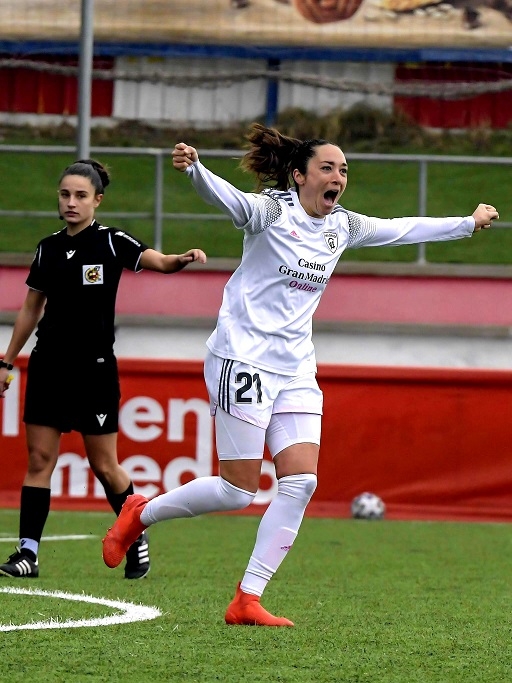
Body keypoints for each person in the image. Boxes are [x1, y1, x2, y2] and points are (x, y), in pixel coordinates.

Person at [102, 123, 499, 624]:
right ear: (298, 176)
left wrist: (465, 222)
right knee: (238, 490)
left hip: (296, 369)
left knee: (301, 482)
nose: (339, 177)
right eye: (328, 168)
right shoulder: (271, 212)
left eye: (344, 170)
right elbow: (231, 201)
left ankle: (248, 598)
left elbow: (400, 228)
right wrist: (197, 169)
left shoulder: (343, 226)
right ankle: (140, 512)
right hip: (242, 358)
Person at [0, 158, 206, 580]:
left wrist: (181, 258)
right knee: (39, 459)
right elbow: (30, 309)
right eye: (65, 194)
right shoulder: (48, 248)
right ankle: (27, 554)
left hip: (93, 371)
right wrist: (7, 360)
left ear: (98, 200)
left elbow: (159, 262)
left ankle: (135, 533)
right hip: (47, 367)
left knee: (105, 466)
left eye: (80, 195)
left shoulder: (111, 242)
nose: (71, 202)